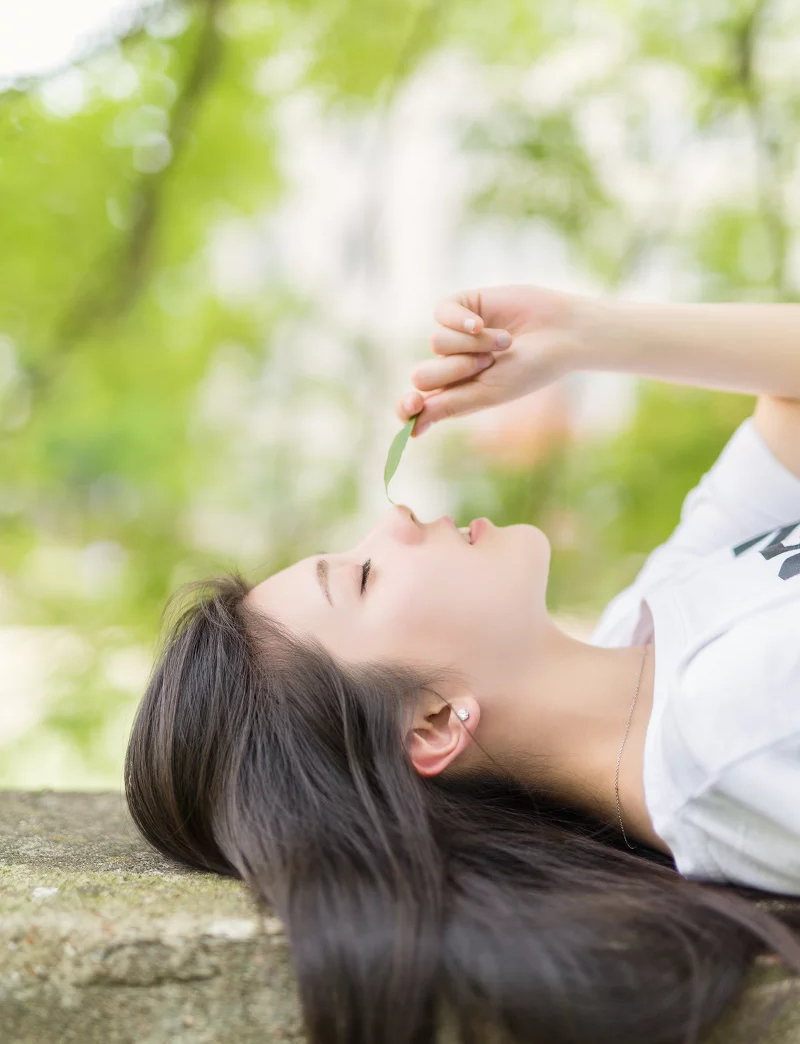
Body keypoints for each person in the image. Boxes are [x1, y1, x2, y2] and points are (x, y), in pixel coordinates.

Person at [125, 285, 800, 1044]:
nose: (393, 519)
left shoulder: (640, 627)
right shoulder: (733, 738)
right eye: (363, 577)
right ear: (434, 722)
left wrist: (585, 335)